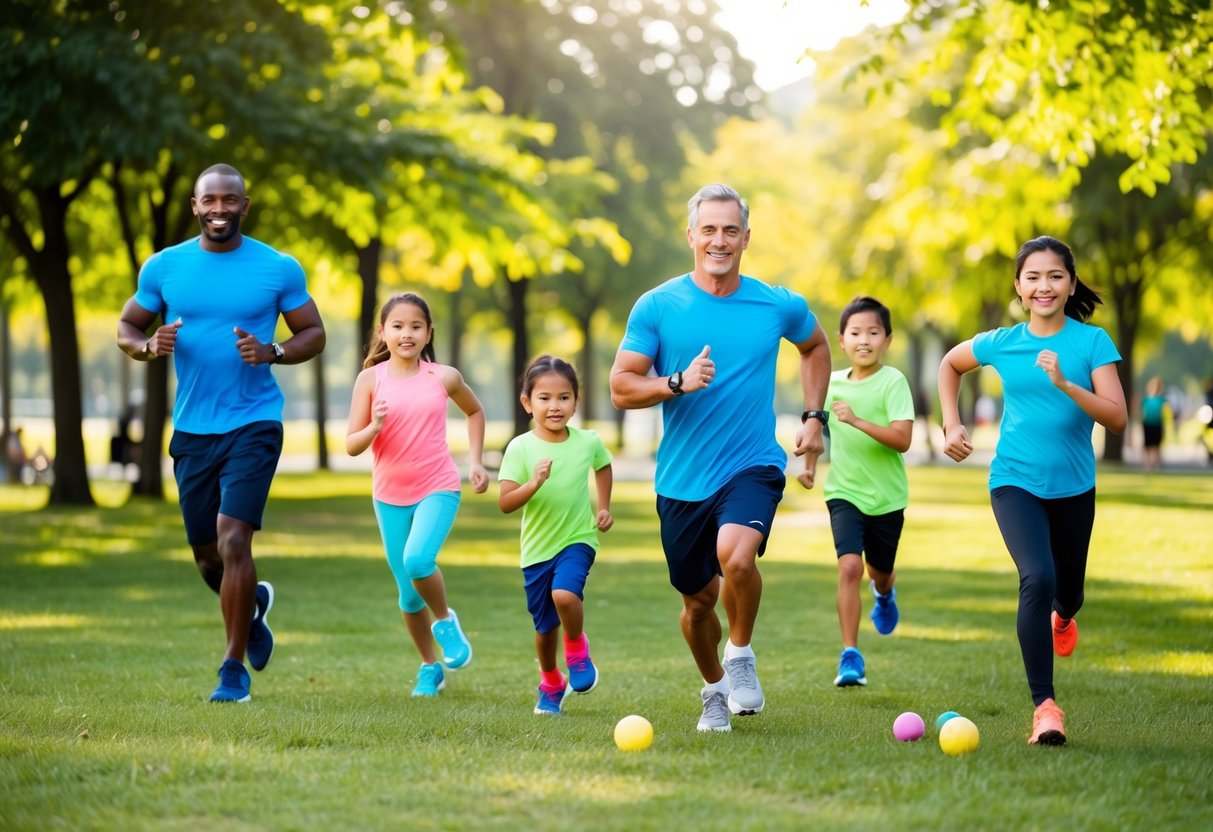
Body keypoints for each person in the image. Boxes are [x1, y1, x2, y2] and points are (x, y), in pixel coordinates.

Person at [609, 183, 831, 733]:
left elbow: (817, 346)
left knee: (737, 559)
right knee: (698, 604)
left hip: (752, 461)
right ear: (691, 235)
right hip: (682, 480)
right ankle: (713, 690)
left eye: (731, 230)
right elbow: (621, 386)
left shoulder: (776, 304)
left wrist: (813, 416)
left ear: (746, 238)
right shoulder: (658, 306)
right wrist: (677, 382)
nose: (719, 240)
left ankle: (741, 652)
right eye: (708, 229)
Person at [117, 163, 326, 703]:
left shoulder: (277, 268)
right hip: (192, 430)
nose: (218, 210)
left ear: (244, 205)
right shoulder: (165, 267)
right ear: (195, 206)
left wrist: (273, 351)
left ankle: (232, 670)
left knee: (235, 537)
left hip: (254, 420)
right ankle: (250, 607)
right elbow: (126, 327)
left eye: (229, 200)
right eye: (209, 201)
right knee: (208, 556)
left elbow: (313, 332)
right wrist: (146, 346)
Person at [938, 236, 1126, 746]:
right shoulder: (1002, 342)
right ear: (1019, 288)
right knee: (1036, 577)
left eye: (1055, 276)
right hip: (1014, 480)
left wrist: (1067, 384)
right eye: (1033, 277)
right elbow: (950, 366)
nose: (1044, 286)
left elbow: (1117, 416)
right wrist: (951, 424)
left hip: (1073, 487)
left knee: (1069, 592)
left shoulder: (1092, 343)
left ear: (1070, 284)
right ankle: (1045, 707)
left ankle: (1063, 617)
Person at [346, 292, 489, 698]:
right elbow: (352, 445)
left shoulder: (443, 377)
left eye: (415, 326)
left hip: (438, 486)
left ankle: (445, 620)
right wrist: (373, 427)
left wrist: (475, 462)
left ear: (428, 333)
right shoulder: (370, 380)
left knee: (418, 559)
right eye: (397, 326)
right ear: (382, 332)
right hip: (389, 496)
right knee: (409, 597)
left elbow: (474, 411)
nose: (406, 333)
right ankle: (430, 667)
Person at [498, 355, 614, 716]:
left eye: (564, 397)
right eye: (544, 398)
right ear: (527, 402)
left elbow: (604, 466)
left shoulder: (587, 441)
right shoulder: (520, 448)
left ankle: (577, 648)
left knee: (565, 594)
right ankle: (550, 681)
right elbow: (505, 502)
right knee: (545, 630)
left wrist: (604, 506)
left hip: (577, 538)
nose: (554, 406)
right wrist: (533, 483)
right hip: (536, 551)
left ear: (576, 401)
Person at [822, 297, 915, 688]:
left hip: (887, 498)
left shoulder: (893, 382)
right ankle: (850, 655)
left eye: (873, 333)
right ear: (842, 341)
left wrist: (857, 420)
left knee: (879, 572)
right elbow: (817, 430)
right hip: (843, 491)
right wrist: (809, 465)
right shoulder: (831, 384)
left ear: (887, 339)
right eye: (856, 333)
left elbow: (902, 439)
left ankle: (884, 593)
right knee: (849, 567)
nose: (864, 341)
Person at [1140, 376, 1169, 472]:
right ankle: (1148, 465)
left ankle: (1154, 464)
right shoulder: (1146, 400)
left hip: (1157, 423)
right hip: (1148, 424)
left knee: (1155, 445)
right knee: (1148, 445)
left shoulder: (1161, 400)